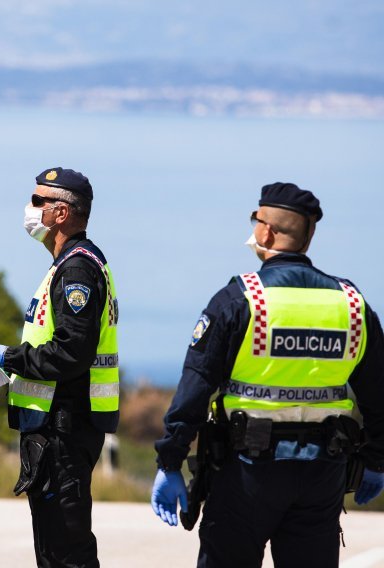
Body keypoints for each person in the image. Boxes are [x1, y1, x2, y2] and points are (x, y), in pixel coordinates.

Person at [151, 182, 384, 568]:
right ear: (309, 237)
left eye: (255, 220)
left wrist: (170, 460)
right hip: (323, 474)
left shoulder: (242, 299)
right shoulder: (351, 303)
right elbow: (378, 395)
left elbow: (196, 385)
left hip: (246, 474)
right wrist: (376, 461)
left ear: (267, 231)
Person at [0, 167, 119, 568]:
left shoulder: (77, 270)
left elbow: (70, 354)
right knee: (55, 548)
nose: (29, 209)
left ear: (62, 213)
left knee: (66, 550)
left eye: (37, 201)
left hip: (64, 427)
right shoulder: (67, 265)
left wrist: (7, 358)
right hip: (55, 427)